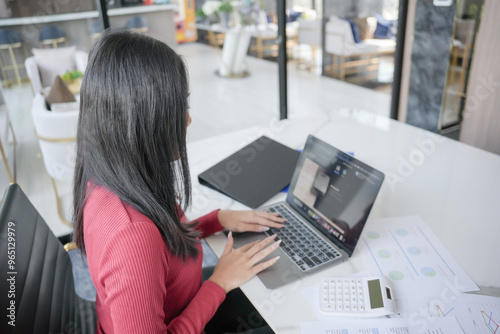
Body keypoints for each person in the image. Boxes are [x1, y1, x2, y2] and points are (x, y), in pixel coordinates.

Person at [73, 29, 285, 333]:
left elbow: (163, 247)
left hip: (183, 304)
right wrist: (219, 284)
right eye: (179, 108)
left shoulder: (113, 177)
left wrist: (217, 219)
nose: (187, 120)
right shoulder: (132, 236)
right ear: (143, 120)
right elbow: (145, 245)